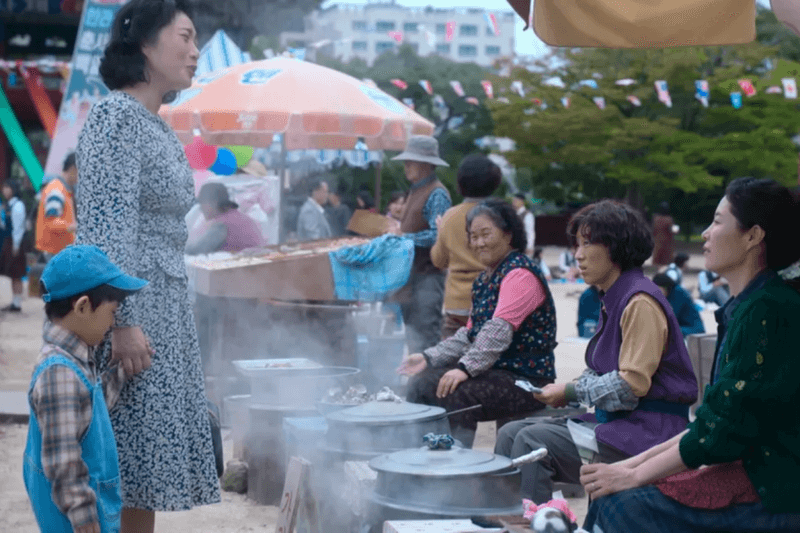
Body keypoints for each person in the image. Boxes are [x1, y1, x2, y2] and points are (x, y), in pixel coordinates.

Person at [580, 177, 800, 533]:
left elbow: (717, 432)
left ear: (752, 235)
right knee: (610, 490)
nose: (705, 234)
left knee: (621, 504)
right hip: (732, 461)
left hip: (775, 486)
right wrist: (629, 470)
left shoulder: (768, 309)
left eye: (717, 221)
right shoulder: (749, 305)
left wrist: (631, 474)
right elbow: (712, 423)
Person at [75, 2, 220, 531]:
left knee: (144, 468)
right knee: (127, 465)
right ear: (144, 46)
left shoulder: (151, 122)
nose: (195, 50)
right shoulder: (116, 117)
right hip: (137, 316)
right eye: (184, 36)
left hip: (164, 309)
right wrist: (124, 320)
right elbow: (106, 228)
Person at [495, 200, 698, 504]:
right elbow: (602, 371)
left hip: (649, 433)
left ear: (617, 247)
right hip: (621, 423)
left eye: (588, 243)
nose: (578, 254)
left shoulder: (639, 301)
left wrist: (570, 391)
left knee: (530, 441)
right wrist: (565, 390)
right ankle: (506, 518)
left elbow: (630, 386)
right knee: (510, 432)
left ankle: (535, 522)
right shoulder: (613, 297)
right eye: (577, 244)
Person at [400, 199, 557, 447]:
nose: (479, 243)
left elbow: (497, 332)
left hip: (525, 380)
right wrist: (428, 358)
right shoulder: (485, 279)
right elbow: (469, 334)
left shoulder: (520, 274)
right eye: (473, 236)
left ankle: (458, 469)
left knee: (454, 393)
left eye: (486, 234)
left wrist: (464, 369)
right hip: (495, 372)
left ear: (508, 234)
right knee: (421, 382)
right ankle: (420, 456)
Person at [23, 245, 148, 533]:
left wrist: (119, 373)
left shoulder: (76, 358)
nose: (113, 322)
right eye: (111, 312)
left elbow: (89, 408)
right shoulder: (60, 374)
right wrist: (84, 520)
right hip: (76, 524)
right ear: (82, 307)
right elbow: (64, 464)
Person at [387, 135, 452, 353]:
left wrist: (403, 238)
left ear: (425, 164)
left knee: (426, 341)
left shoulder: (437, 193)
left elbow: (439, 236)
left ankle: (428, 386)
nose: (405, 166)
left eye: (410, 162)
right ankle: (418, 386)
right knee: (414, 341)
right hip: (412, 278)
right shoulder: (415, 190)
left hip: (428, 277)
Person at [431, 154, 502, 339]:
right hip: (492, 298)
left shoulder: (449, 216)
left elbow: (439, 260)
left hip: (456, 303)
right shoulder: (500, 215)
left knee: (452, 358)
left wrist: (441, 233)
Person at [184, 182, 264, 255]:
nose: (201, 208)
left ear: (213, 202)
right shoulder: (237, 217)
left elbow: (197, 249)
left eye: (202, 203)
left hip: (243, 268)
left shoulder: (221, 225)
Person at [35, 152, 78, 259]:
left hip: (57, 252)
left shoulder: (63, 189)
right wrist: (74, 226)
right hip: (53, 253)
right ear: (73, 169)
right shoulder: (57, 190)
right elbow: (51, 222)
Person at [1, 180, 28, 312]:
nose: (4, 190)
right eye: (4, 187)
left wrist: (16, 245)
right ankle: (14, 302)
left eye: (7, 187)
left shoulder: (18, 206)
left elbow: (18, 228)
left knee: (16, 272)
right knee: (12, 273)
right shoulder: (7, 205)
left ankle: (17, 303)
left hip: (14, 242)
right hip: (8, 241)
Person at [652, 273, 705, 338]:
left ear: (665, 287)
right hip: (681, 327)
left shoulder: (678, 293)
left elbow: (671, 317)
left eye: (658, 290)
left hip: (693, 330)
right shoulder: (668, 294)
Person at [652, 201, 675, 267]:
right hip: (667, 242)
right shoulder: (669, 219)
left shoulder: (655, 218)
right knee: (666, 261)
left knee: (657, 260)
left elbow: (653, 230)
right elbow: (672, 230)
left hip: (657, 242)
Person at [512, 192, 535, 257]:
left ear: (522, 202)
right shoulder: (513, 214)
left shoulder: (527, 215)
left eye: (516, 201)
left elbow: (530, 232)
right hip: (514, 246)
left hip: (523, 246)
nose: (514, 202)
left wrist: (529, 247)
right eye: (513, 200)